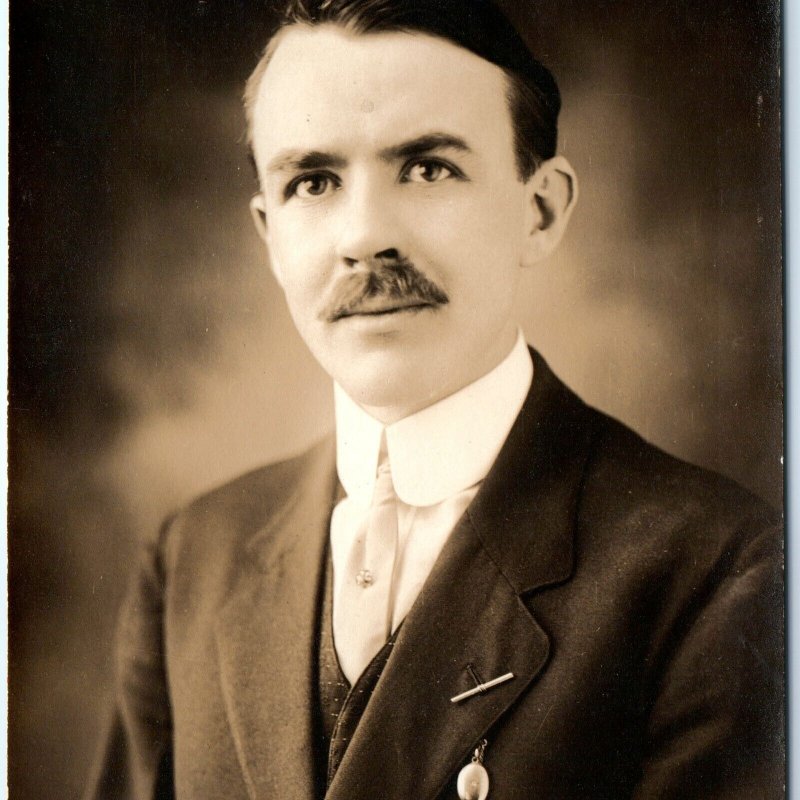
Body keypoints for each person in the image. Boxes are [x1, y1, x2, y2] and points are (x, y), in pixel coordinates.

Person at [85, 0, 783, 797]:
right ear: (270, 235)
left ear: (541, 211)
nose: (364, 235)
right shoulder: (192, 561)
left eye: (428, 168)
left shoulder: (720, 572)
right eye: (312, 182)